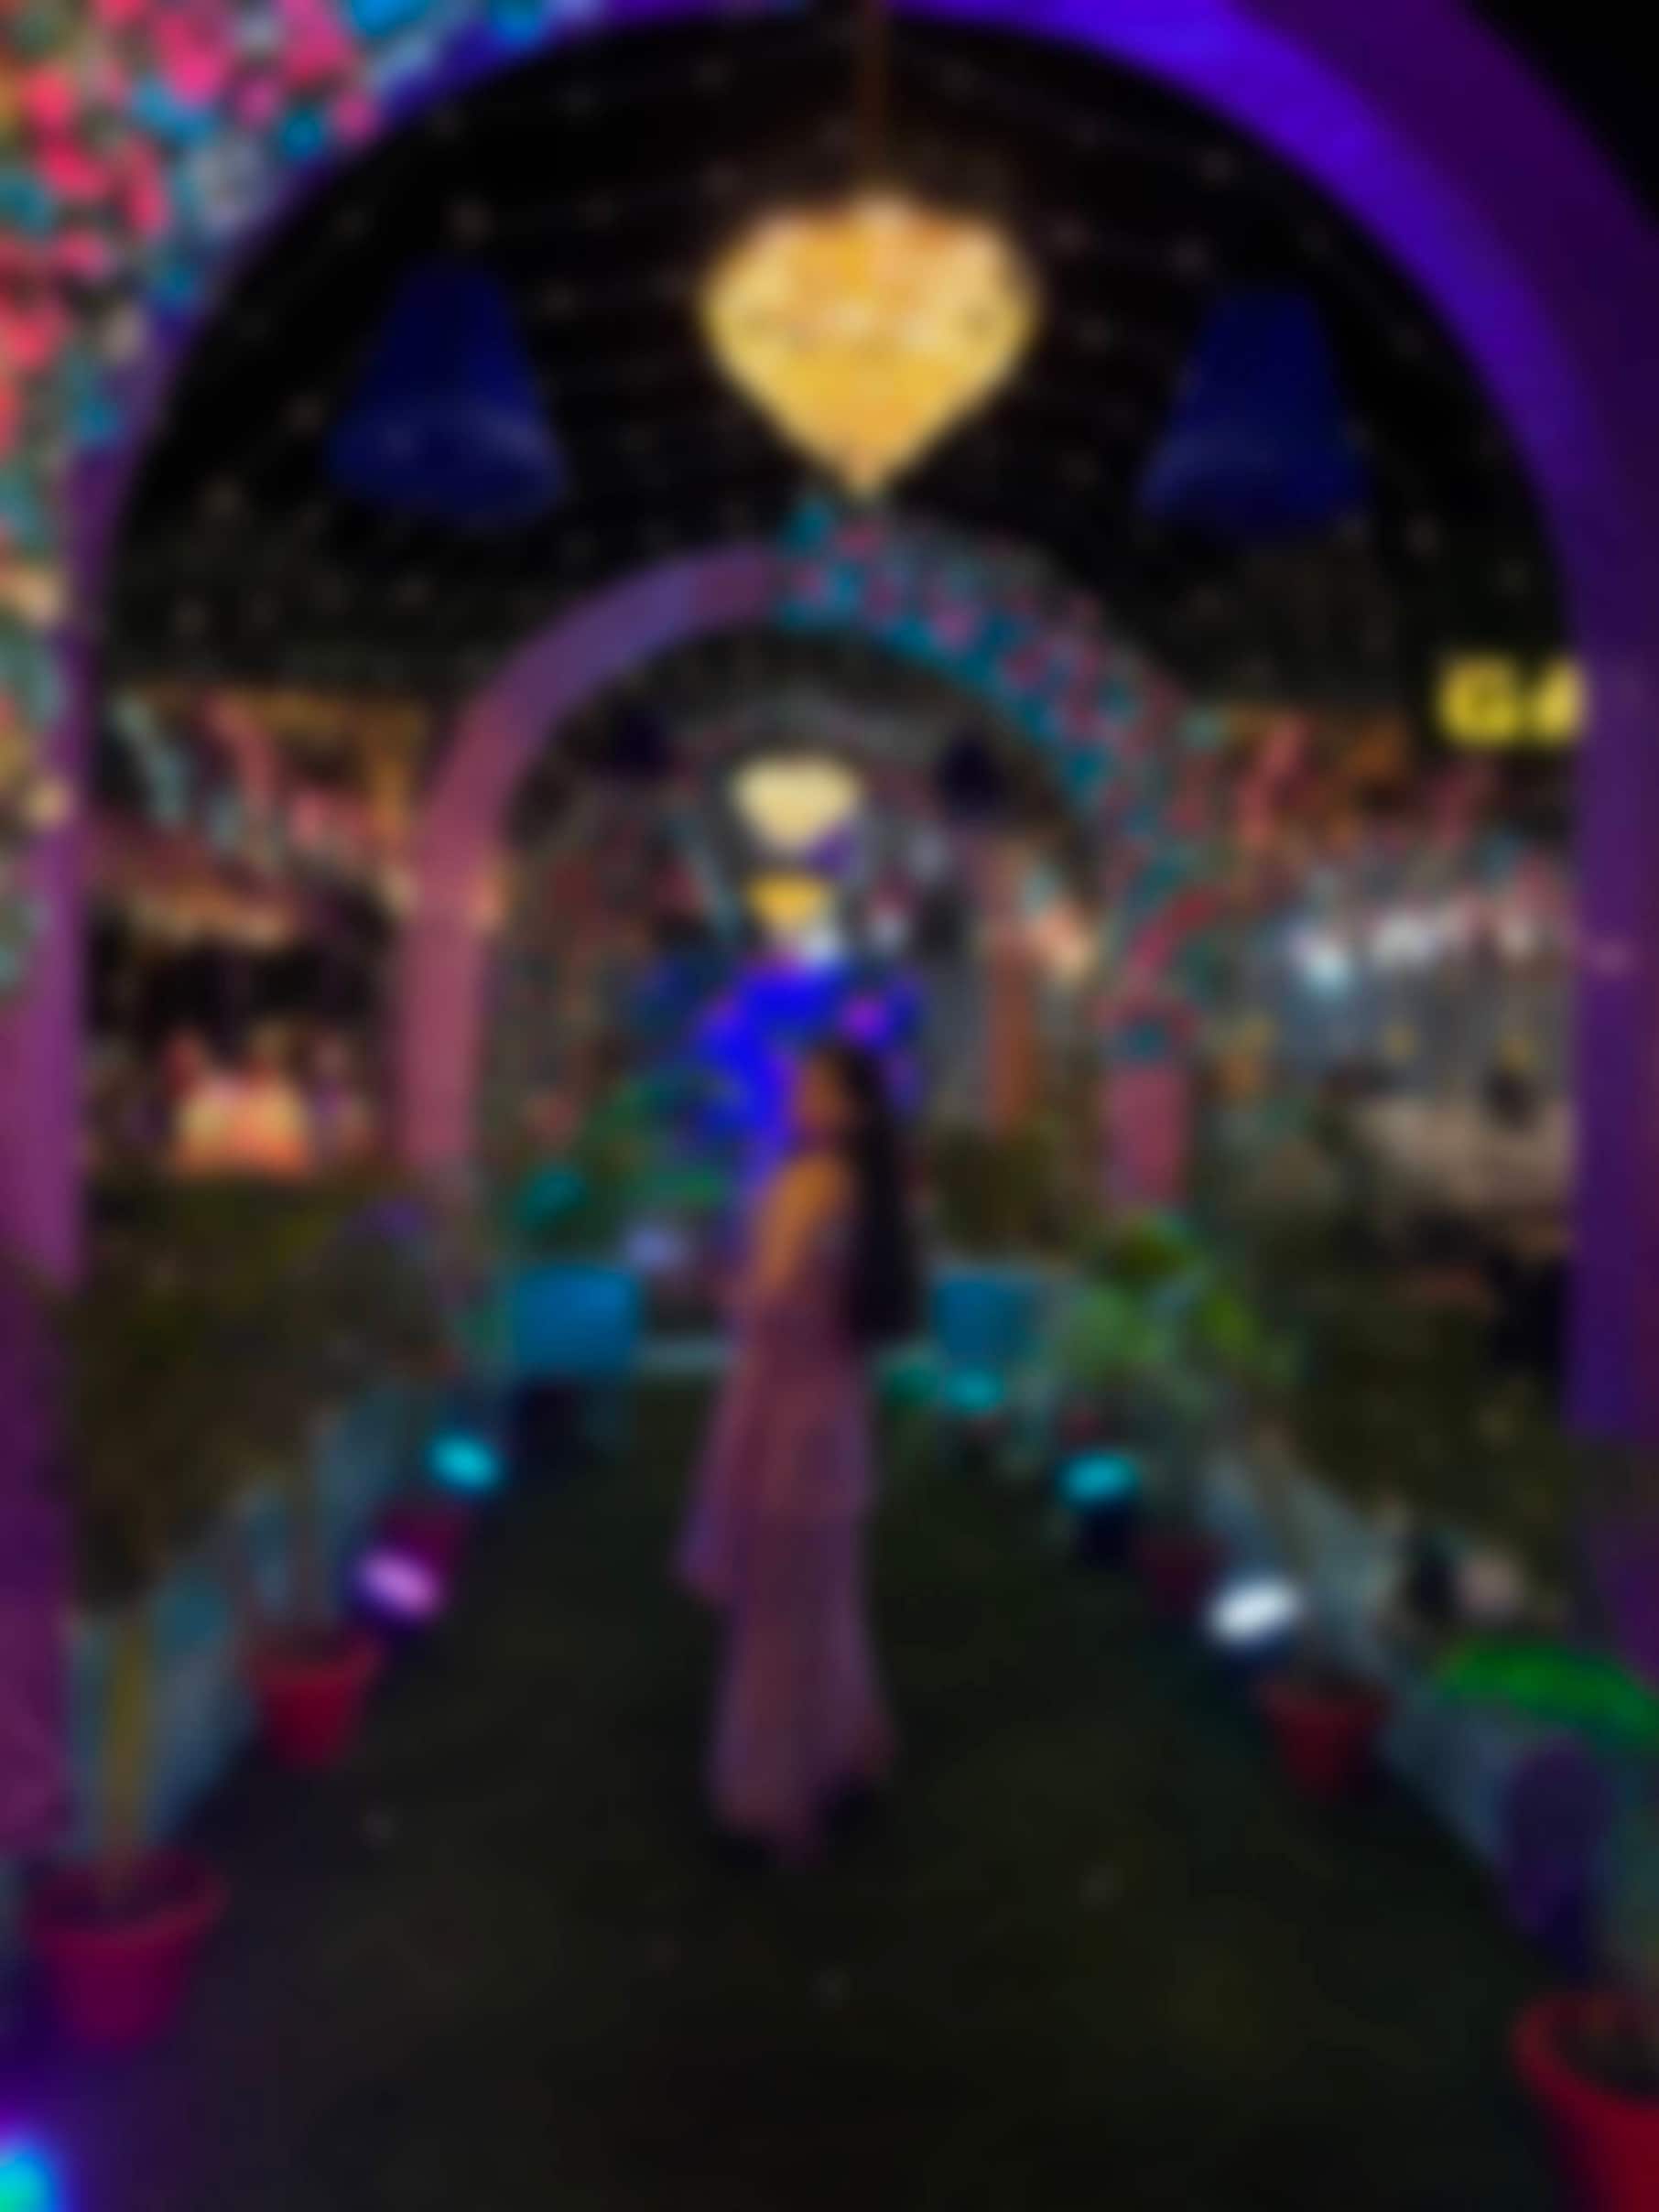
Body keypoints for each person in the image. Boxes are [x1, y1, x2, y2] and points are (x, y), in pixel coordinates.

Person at [676, 1042, 919, 1865]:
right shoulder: (851, 1187)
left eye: (818, 1084)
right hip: (822, 1416)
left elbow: (775, 1304)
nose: (801, 1093)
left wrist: (716, 1284)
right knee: (820, 1596)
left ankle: (776, 1790)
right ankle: (840, 1745)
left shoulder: (816, 1186)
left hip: (787, 1420)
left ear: (852, 1107)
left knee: (780, 1611)